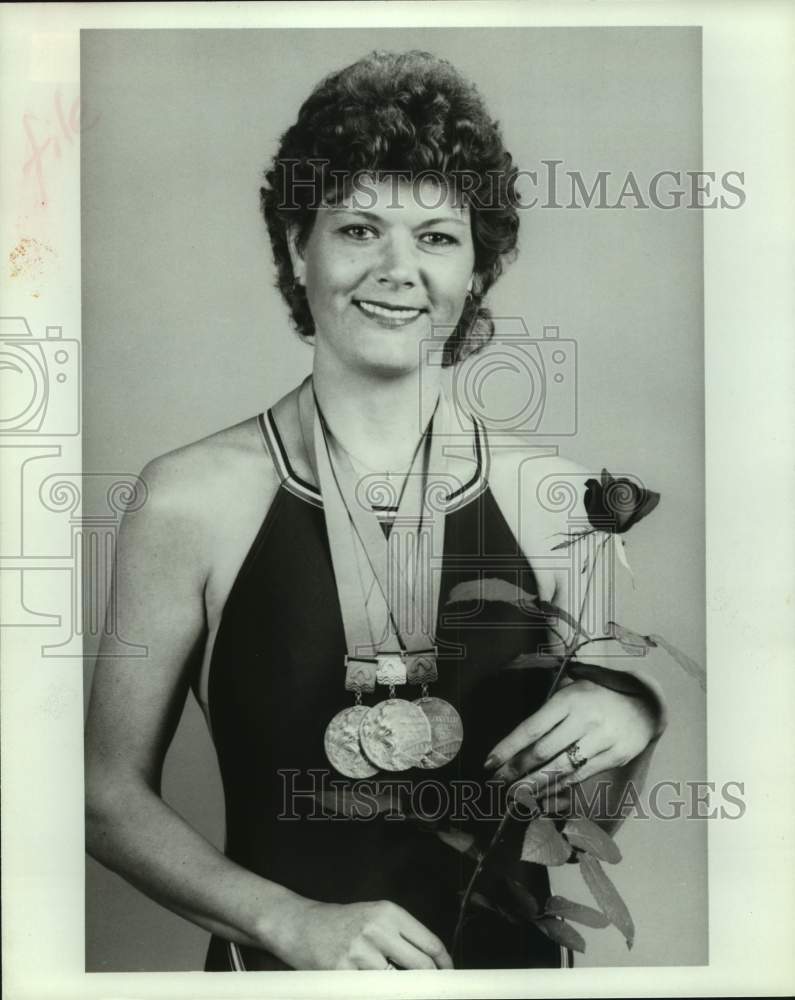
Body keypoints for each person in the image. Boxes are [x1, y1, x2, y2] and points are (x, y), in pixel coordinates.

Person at [85, 49, 666, 972]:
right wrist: (289, 922)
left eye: (437, 237)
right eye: (358, 229)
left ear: (477, 268)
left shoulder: (558, 500)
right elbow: (103, 796)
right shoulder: (189, 497)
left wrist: (635, 716)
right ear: (295, 247)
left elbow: (573, 822)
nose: (399, 270)